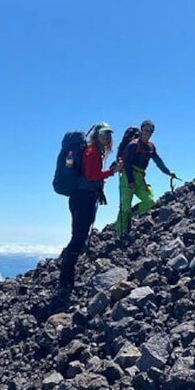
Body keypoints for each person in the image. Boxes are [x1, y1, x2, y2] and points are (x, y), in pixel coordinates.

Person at [58, 122, 118, 294]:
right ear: (96, 134)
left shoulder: (94, 151)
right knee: (78, 238)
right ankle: (65, 281)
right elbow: (92, 176)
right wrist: (111, 172)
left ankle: (67, 279)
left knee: (78, 236)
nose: (107, 137)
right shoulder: (92, 151)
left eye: (108, 134)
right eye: (103, 133)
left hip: (82, 197)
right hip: (83, 198)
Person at [115, 120, 176, 238]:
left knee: (149, 202)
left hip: (140, 177)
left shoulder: (150, 147)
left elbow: (158, 161)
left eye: (151, 131)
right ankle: (121, 235)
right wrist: (131, 180)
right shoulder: (133, 145)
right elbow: (127, 163)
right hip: (128, 177)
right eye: (146, 130)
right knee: (125, 206)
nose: (148, 132)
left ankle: (129, 216)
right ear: (141, 129)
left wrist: (168, 172)